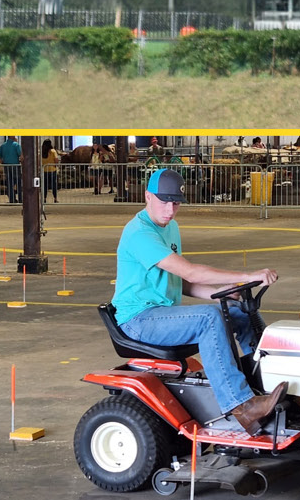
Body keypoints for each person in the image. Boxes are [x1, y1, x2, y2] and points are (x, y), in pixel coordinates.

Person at [112, 169, 282, 431]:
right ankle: (242, 406)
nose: (170, 209)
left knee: (236, 310)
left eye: (176, 202)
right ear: (147, 196)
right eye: (163, 201)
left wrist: (221, 292)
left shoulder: (170, 227)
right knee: (209, 318)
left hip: (161, 312)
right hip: (139, 319)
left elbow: (181, 282)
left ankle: (264, 381)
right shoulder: (139, 233)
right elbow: (188, 271)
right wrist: (249, 274)